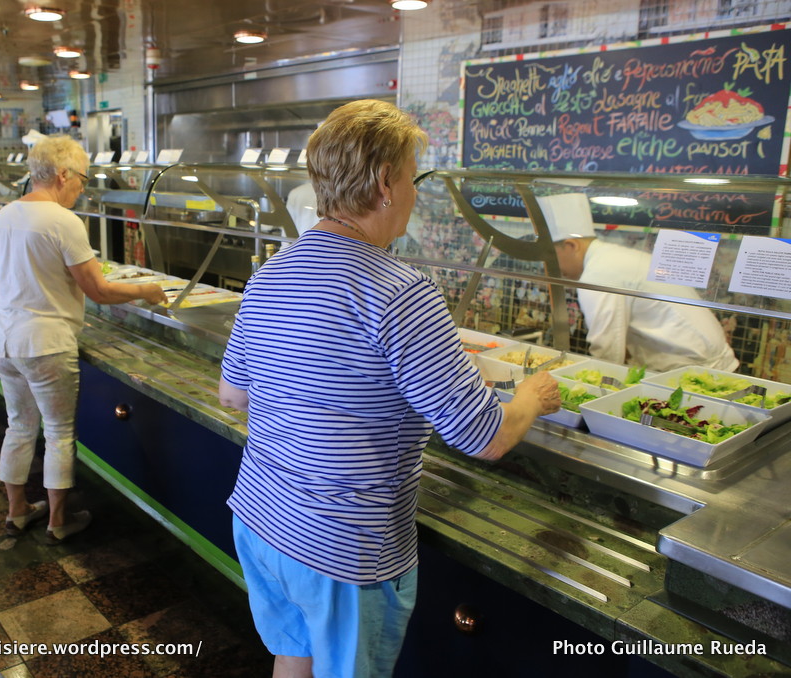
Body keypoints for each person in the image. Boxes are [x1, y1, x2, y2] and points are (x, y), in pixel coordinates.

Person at [217, 100, 560, 678]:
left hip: (259, 520)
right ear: (384, 182)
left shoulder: (272, 271)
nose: (414, 192)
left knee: (292, 656)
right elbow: (486, 439)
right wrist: (532, 396)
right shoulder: (401, 290)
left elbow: (233, 394)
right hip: (343, 548)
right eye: (411, 177)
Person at [0, 136, 167, 544]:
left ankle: (17, 511)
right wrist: (147, 290)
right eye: (82, 178)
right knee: (58, 432)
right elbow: (99, 290)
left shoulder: (4, 215)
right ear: (63, 174)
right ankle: (58, 521)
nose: (82, 187)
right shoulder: (63, 221)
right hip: (46, 342)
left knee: (18, 426)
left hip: (3, 339)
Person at [537, 192, 739, 373]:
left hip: (696, 369)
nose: (552, 266)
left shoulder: (599, 273)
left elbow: (607, 352)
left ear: (571, 245)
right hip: (707, 361)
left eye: (551, 255)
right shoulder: (612, 257)